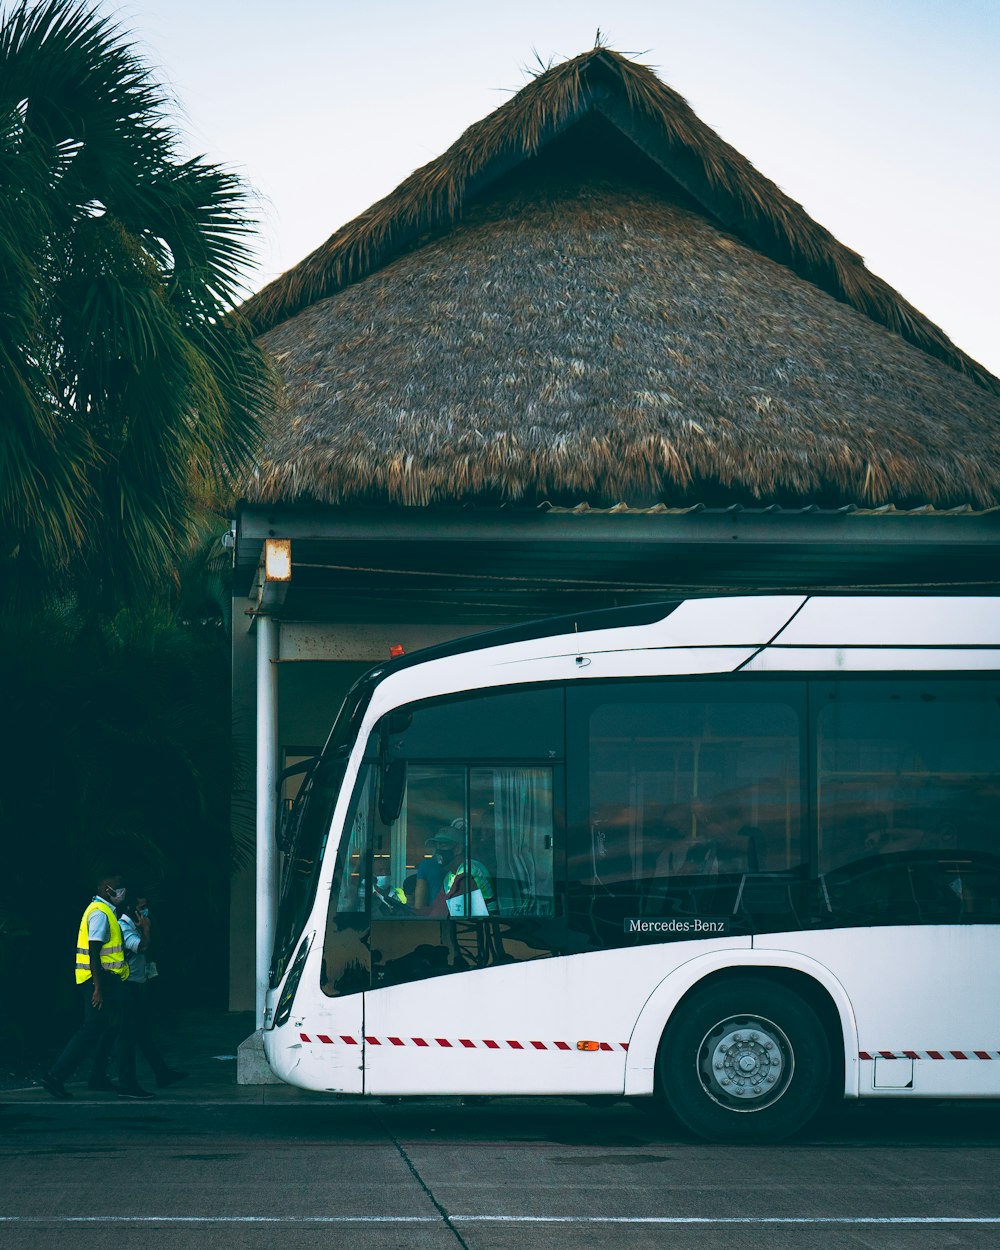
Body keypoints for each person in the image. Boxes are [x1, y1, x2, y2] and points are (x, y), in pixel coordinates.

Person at [41, 869, 150, 1099]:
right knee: (122, 1028)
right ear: (105, 888)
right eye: (117, 887)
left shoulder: (103, 911)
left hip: (95, 979)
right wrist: (99, 989)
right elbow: (93, 951)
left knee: (93, 1029)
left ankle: (56, 1077)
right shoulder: (100, 913)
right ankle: (127, 1084)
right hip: (102, 981)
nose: (121, 892)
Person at [92, 891, 187, 1091]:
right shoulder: (124, 928)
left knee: (134, 1032)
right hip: (126, 985)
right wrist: (147, 929)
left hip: (136, 983)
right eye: (141, 907)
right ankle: (120, 1079)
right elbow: (141, 947)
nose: (145, 911)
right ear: (130, 909)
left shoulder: (131, 926)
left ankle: (161, 1072)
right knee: (122, 1033)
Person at [426, 826, 497, 916]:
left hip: (486, 925)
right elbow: (435, 908)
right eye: (437, 846)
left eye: (443, 845)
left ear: (458, 849)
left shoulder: (469, 870)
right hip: (466, 925)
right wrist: (409, 911)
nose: (438, 851)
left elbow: (442, 911)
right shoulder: (449, 877)